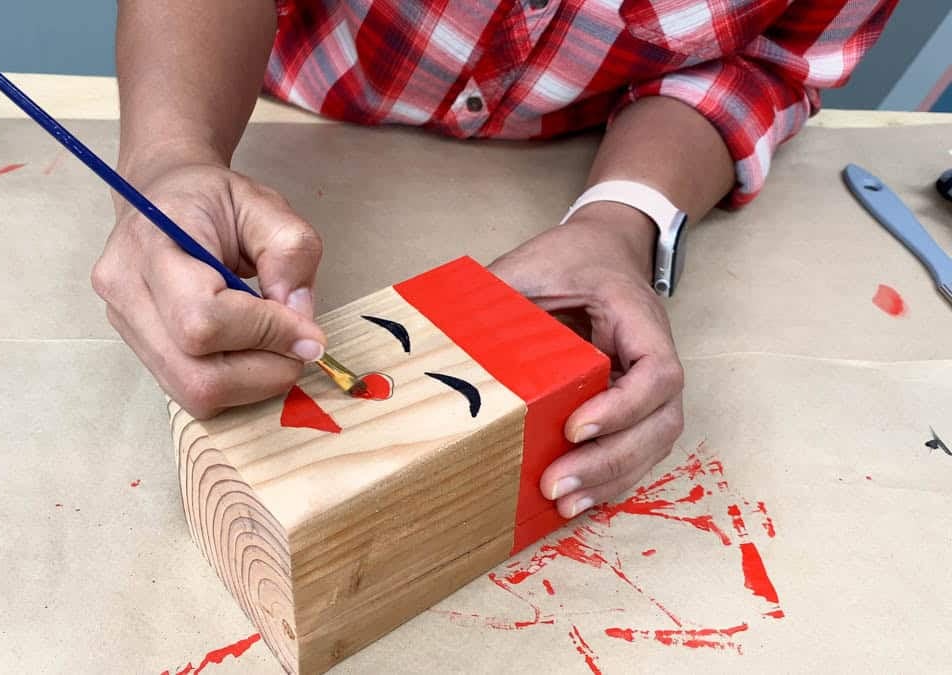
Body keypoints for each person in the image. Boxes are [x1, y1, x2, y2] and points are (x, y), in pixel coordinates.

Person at [91, 0, 896, 518]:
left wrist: (622, 217)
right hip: (266, 100)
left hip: (604, 146)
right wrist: (169, 156)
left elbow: (766, 64)